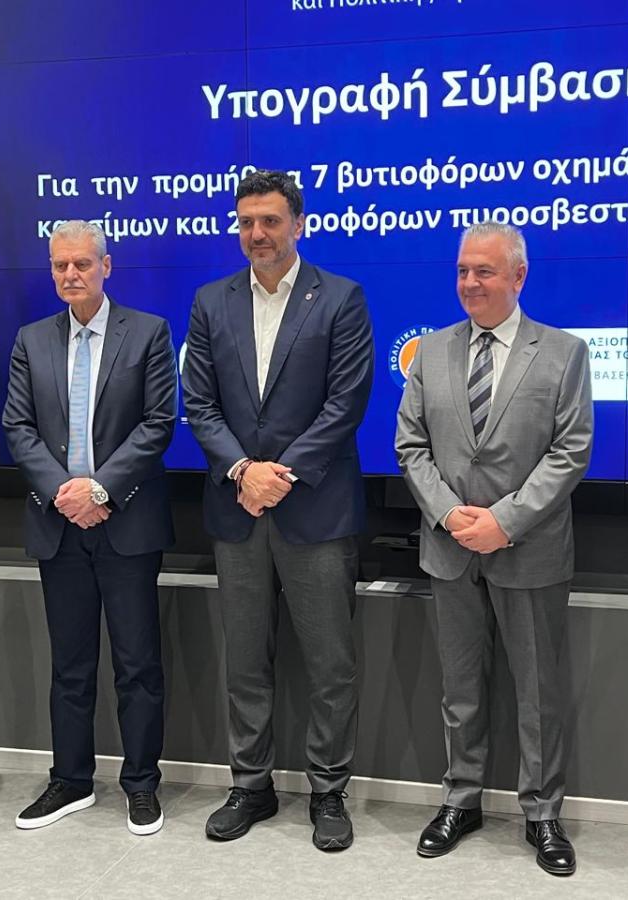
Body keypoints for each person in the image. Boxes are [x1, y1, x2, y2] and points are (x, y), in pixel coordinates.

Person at [182, 169, 374, 851]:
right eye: (246, 223)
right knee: (245, 661)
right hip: (237, 510)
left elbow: (345, 403)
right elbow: (199, 403)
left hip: (315, 511)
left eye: (269, 221)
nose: (257, 234)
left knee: (329, 664)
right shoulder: (211, 301)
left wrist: (278, 475)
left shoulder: (341, 298)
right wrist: (243, 470)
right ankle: (251, 786)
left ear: (299, 223)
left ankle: (328, 791)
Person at [394, 222, 592, 875]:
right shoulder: (431, 352)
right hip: (451, 548)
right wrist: (452, 514)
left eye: (484, 270)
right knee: (460, 689)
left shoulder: (563, 353)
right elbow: (410, 446)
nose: (470, 282)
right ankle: (461, 799)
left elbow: (570, 453)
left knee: (538, 692)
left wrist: (503, 521)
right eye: (463, 271)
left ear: (518, 276)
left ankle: (543, 813)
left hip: (528, 549)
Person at [3, 220, 176, 835]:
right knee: (70, 666)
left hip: (126, 523)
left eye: (81, 263)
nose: (70, 274)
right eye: (60, 265)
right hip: (59, 526)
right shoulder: (32, 340)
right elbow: (18, 427)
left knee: (138, 665)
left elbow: (158, 423)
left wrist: (99, 489)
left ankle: (141, 784)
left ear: (107, 266)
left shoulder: (148, 333)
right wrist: (65, 493)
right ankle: (71, 780)